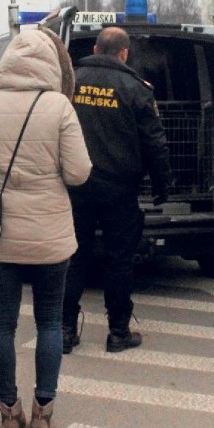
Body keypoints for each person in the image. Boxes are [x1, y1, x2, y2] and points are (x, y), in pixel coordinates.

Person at [0, 30, 91, 428]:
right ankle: (43, 412)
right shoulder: (59, 107)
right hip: (50, 235)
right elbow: (78, 172)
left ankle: (8, 411)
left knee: (2, 324)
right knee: (50, 322)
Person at [62, 26, 171, 354]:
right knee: (119, 261)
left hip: (76, 187)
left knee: (74, 256)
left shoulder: (70, 82)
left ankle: (65, 330)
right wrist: (163, 184)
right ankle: (118, 332)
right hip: (119, 191)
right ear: (124, 53)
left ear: (96, 48)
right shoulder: (136, 89)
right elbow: (154, 142)